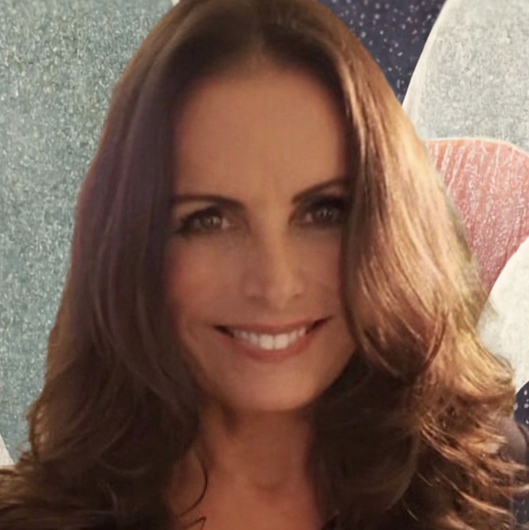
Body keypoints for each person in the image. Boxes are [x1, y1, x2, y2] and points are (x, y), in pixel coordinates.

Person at [0, 0, 528, 529]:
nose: (275, 283)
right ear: (130, 249)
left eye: (322, 212)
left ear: (387, 226)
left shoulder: (489, 486)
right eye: (210, 220)